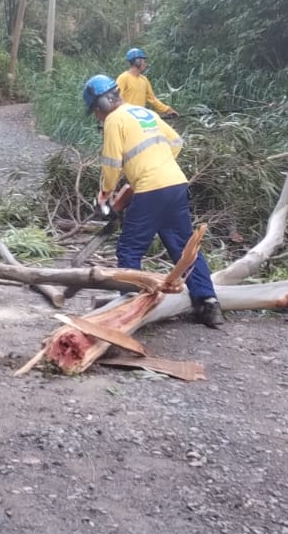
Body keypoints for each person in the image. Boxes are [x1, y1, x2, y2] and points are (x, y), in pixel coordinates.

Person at [82, 74, 221, 328]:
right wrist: (157, 164)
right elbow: (177, 142)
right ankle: (208, 302)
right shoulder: (144, 113)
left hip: (151, 188)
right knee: (183, 247)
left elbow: (111, 163)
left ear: (101, 104)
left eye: (95, 111)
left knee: (129, 248)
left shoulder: (114, 120)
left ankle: (130, 306)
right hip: (176, 183)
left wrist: (104, 194)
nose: (97, 117)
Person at [116, 47, 176, 119]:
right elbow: (117, 99)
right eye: (144, 61)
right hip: (126, 118)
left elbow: (152, 99)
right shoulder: (123, 78)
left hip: (140, 118)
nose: (145, 64)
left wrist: (167, 110)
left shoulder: (144, 80)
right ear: (137, 62)